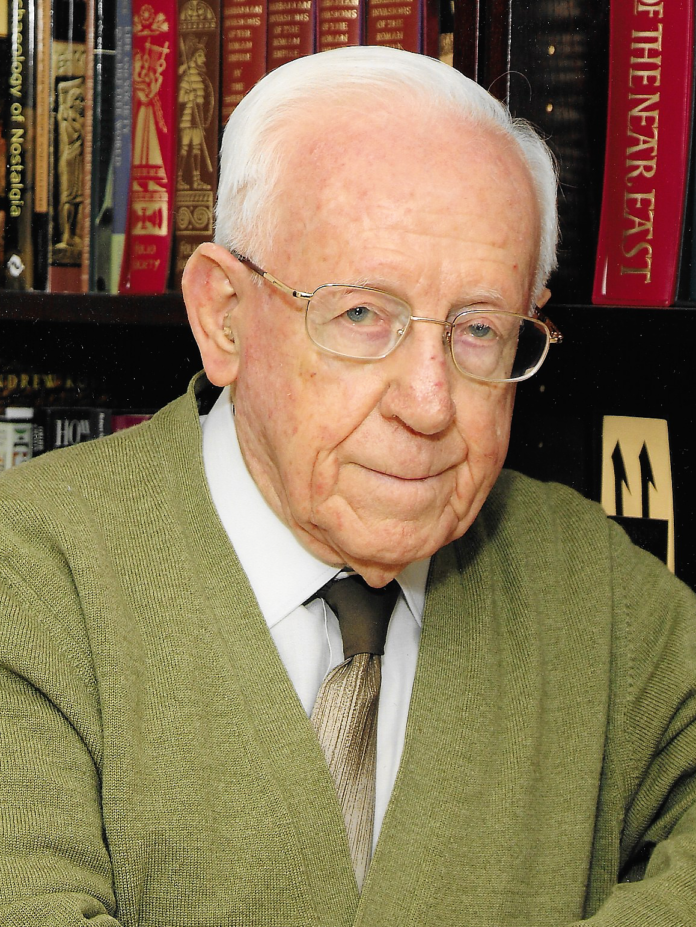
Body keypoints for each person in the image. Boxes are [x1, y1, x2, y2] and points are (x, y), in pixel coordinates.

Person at [0, 45, 695, 926]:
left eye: (480, 329)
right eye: (363, 313)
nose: (430, 403)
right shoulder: (30, 576)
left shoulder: (591, 585)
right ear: (224, 317)